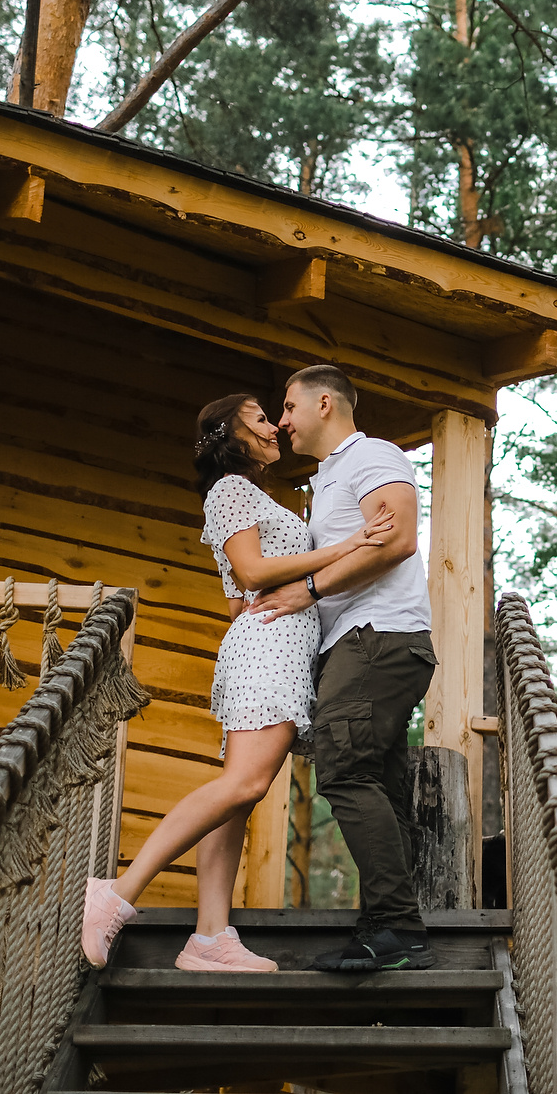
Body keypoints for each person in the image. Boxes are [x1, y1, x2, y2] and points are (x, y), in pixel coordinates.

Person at [79, 393, 397, 972]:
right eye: (260, 419)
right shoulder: (228, 489)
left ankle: (209, 938)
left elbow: (236, 600)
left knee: (237, 796)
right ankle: (118, 893)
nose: (275, 427)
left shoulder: (250, 497)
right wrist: (350, 544)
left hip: (272, 647)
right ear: (231, 434)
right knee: (245, 784)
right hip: (268, 651)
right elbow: (251, 573)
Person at [248, 363, 437, 973]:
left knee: (344, 768)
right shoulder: (328, 477)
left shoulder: (371, 455)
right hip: (360, 642)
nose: (283, 421)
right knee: (376, 781)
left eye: (288, 407)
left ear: (324, 403)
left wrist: (309, 589)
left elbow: (399, 538)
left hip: (378, 636)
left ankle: (396, 926)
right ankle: (391, 927)